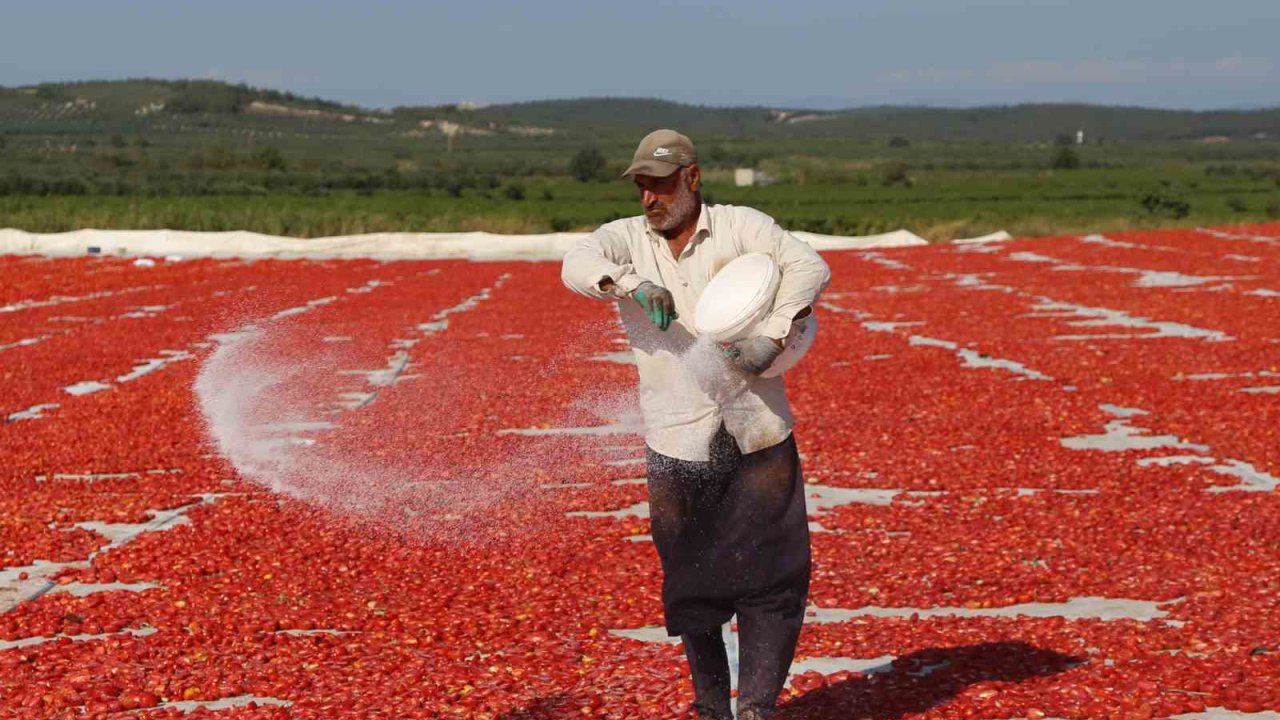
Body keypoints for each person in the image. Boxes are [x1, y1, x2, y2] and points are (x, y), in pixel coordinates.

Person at [561, 129, 831, 719]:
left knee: (772, 578)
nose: (649, 199)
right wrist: (631, 283)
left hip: (757, 432)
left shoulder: (740, 226)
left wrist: (774, 333)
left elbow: (808, 264)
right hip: (676, 437)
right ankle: (711, 708)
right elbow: (576, 263)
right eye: (642, 187)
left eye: (660, 185)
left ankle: (757, 707)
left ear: (692, 178)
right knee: (692, 580)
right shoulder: (628, 241)